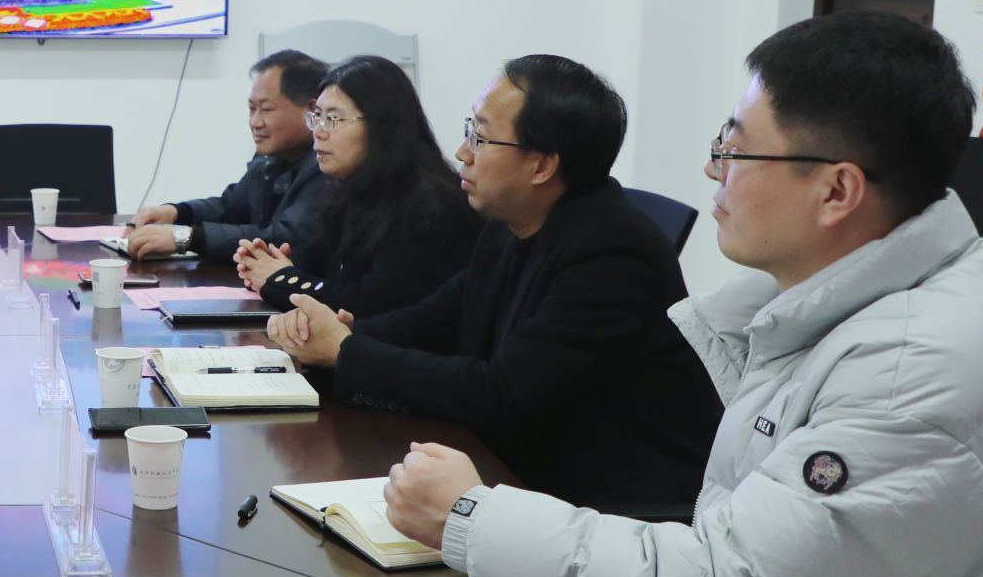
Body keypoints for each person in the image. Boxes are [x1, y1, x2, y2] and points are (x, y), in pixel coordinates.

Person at [386, 13, 983, 577]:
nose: (713, 170)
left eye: (736, 148)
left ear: (836, 190)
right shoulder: (818, 298)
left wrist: (474, 517)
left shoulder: (914, 370)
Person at [267, 54, 718, 511]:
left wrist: (346, 351)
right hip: (522, 472)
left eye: (480, 138)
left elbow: (501, 393)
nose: (462, 152)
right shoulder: (511, 223)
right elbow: (435, 319)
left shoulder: (615, 254)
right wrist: (336, 337)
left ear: (541, 166)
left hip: (612, 509)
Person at [235, 54, 477, 315]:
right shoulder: (353, 188)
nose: (318, 132)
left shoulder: (426, 205)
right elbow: (320, 259)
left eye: (333, 119)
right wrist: (271, 262)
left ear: (381, 126)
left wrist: (279, 278)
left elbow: (367, 303)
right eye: (317, 117)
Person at [121, 49, 335, 260]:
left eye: (266, 109)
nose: (255, 122)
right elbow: (230, 207)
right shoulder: (269, 158)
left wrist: (185, 238)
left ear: (312, 110)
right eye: (251, 109)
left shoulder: (327, 165)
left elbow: (285, 239)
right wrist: (175, 212)